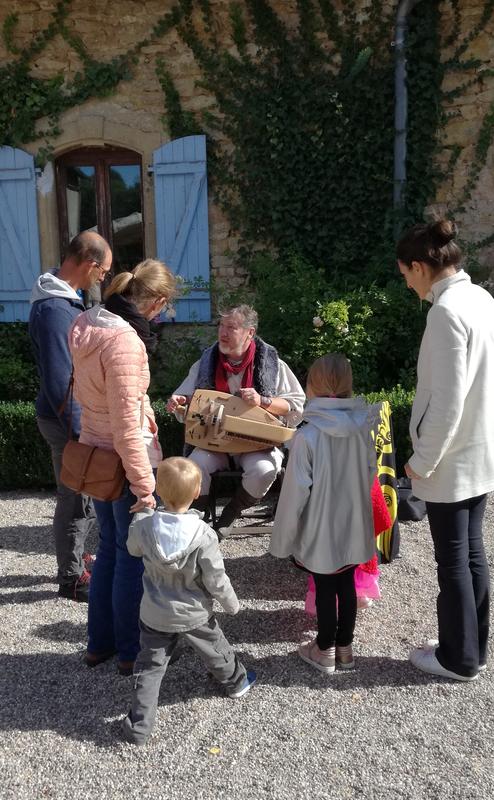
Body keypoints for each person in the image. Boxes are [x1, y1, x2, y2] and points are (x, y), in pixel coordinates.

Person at [397, 219, 494, 682]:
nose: (406, 283)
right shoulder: (481, 298)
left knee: (453, 559)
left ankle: (457, 659)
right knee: (472, 553)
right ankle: (473, 649)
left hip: (452, 458)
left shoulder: (446, 311)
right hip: (479, 451)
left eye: (405, 274)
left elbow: (447, 401)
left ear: (419, 267)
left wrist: (421, 461)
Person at [68, 258, 176, 676]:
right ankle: (131, 651)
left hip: (96, 455)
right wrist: (146, 487)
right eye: (165, 310)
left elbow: (94, 401)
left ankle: (100, 645)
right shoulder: (125, 343)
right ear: (157, 301)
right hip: (124, 462)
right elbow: (128, 426)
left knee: (111, 551)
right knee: (131, 559)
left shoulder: (88, 323)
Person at [122, 457, 255, 745]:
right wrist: (231, 604)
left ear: (158, 490)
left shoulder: (146, 527)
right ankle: (236, 682)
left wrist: (141, 515)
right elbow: (216, 578)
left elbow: (132, 548)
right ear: (197, 493)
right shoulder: (204, 535)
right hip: (194, 613)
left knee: (150, 666)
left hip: (155, 612)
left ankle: (139, 725)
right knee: (215, 648)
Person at [270, 353, 377, 674]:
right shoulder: (364, 428)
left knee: (326, 586)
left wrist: (283, 540)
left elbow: (294, 494)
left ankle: (324, 648)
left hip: (320, 524)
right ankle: (345, 648)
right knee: (346, 583)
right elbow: (370, 475)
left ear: (311, 387)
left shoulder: (307, 435)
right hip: (354, 521)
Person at [166, 305, 305, 537]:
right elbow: (188, 400)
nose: (223, 332)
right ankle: (197, 519)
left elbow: (295, 405)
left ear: (250, 333)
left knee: (264, 469)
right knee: (194, 467)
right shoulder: (206, 363)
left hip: (256, 444)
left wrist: (263, 400)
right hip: (214, 444)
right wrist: (179, 401)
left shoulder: (272, 364)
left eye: (232, 327)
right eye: (221, 326)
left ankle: (231, 513)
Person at [29, 231, 112, 602]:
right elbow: (60, 378)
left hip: (69, 417)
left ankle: (77, 561)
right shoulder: (53, 309)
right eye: (104, 271)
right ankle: (72, 579)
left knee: (83, 496)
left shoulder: (61, 301)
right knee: (75, 498)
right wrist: (81, 432)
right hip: (66, 421)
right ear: (90, 264)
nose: (103, 278)